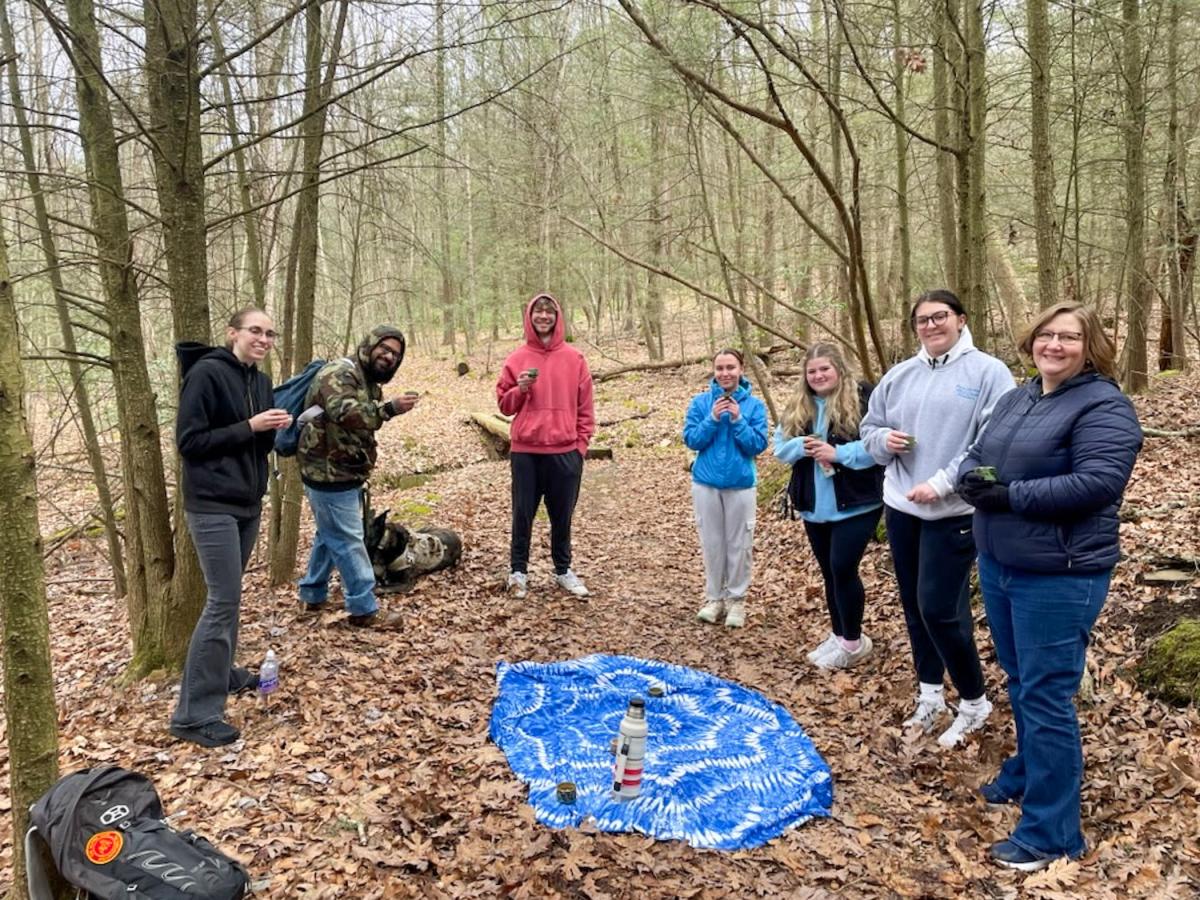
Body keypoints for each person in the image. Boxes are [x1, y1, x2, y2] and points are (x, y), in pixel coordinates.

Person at [957, 303, 1142, 871]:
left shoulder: (1105, 405)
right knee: (1021, 681)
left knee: (1045, 695)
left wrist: (1010, 497)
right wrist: (971, 478)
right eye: (1046, 335)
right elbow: (979, 456)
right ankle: (1027, 773)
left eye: (1069, 337)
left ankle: (1052, 833)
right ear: (1030, 341)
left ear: (1091, 348)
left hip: (1060, 573)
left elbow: (1098, 482)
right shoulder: (1019, 397)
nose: (1054, 345)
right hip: (1001, 562)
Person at [860, 289, 1015, 747]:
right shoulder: (900, 375)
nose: (931, 326)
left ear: (961, 320)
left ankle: (974, 701)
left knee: (939, 608)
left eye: (940, 317)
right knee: (913, 605)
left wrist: (944, 482)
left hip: (953, 509)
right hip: (901, 505)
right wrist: (882, 441)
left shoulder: (989, 372)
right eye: (922, 320)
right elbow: (870, 427)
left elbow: (993, 445)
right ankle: (931, 695)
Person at [170, 308, 292, 748]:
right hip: (211, 505)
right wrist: (249, 426)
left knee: (230, 595)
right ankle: (193, 714)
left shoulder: (259, 380)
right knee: (222, 600)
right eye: (255, 331)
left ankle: (221, 674)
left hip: (246, 501)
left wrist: (274, 428)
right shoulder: (206, 374)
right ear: (233, 333)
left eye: (269, 333)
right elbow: (189, 442)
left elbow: (255, 446)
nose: (263, 339)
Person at [297, 325, 418, 627]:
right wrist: (389, 409)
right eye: (385, 349)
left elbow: (362, 424)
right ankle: (364, 608)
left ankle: (312, 595)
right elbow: (344, 412)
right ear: (370, 345)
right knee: (349, 539)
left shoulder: (369, 382)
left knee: (329, 534)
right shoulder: (340, 372)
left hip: (345, 471)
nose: (389, 356)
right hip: (326, 471)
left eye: (395, 354)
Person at [774, 342, 883, 668]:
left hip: (857, 501)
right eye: (812, 371)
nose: (819, 375)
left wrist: (839, 454)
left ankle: (853, 643)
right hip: (814, 504)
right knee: (829, 572)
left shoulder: (864, 396)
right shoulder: (799, 405)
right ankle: (840, 636)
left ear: (838, 369)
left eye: (825, 369)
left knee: (842, 567)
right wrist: (800, 446)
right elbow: (780, 448)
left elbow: (878, 446)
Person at [496, 293, 595, 599]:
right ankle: (518, 572)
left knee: (562, 515)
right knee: (522, 513)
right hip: (526, 451)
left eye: (549, 312)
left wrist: (580, 446)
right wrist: (520, 389)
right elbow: (504, 405)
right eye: (538, 312)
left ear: (557, 317)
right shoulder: (516, 359)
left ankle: (563, 570)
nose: (543, 316)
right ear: (529, 317)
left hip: (565, 451)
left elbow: (586, 408)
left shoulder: (575, 359)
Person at [683, 348, 769, 628]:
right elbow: (692, 439)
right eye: (720, 368)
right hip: (706, 484)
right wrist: (711, 418)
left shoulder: (754, 406)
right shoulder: (700, 403)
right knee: (712, 543)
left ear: (741, 369)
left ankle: (737, 601)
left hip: (741, 484)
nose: (725, 373)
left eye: (730, 367)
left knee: (739, 544)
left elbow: (757, 445)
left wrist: (737, 420)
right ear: (714, 371)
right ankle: (714, 599)